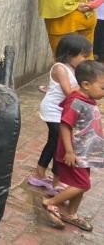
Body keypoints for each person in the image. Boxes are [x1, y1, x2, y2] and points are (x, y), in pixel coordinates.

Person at [41, 60, 104, 231]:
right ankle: (50, 202)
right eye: (102, 88)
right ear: (86, 85)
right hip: (74, 153)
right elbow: (65, 125)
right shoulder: (76, 102)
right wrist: (69, 151)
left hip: (83, 153)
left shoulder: (88, 99)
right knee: (83, 184)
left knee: (80, 184)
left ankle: (71, 213)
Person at [28, 33, 90, 195]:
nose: (84, 60)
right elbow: (69, 92)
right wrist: (85, 88)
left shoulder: (73, 69)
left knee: (53, 142)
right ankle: (55, 181)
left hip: (62, 111)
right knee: (59, 145)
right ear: (70, 54)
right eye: (83, 56)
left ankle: (39, 175)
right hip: (52, 110)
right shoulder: (60, 68)